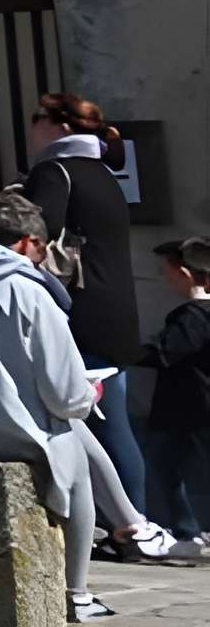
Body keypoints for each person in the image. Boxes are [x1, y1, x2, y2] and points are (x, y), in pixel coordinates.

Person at [0, 190, 177, 621]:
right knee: (74, 456)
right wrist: (91, 394)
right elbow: (65, 394)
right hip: (11, 434)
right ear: (28, 243)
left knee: (71, 432)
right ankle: (77, 592)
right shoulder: (30, 294)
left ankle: (130, 525)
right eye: (44, 248)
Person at [22, 94, 149, 527]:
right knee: (116, 427)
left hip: (79, 316)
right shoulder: (102, 171)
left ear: (59, 127)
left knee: (85, 431)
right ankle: (134, 521)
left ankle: (122, 526)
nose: (31, 126)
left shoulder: (54, 171)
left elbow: (35, 238)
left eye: (38, 118)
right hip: (116, 314)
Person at [143, 236, 210, 558]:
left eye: (167, 271)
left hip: (187, 409)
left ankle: (189, 531)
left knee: (171, 469)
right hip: (195, 408)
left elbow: (166, 351)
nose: (164, 278)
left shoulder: (192, 317)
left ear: (185, 274)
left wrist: (125, 351)